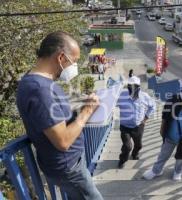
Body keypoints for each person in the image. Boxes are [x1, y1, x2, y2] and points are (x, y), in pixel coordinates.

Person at [16, 32, 103, 200]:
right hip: (69, 166)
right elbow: (62, 141)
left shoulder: (34, 80)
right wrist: (87, 111)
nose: (75, 67)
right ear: (61, 57)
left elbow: (51, 115)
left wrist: (80, 105)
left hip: (65, 164)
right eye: (74, 61)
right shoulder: (41, 90)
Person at [143, 78, 182, 181]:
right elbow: (165, 114)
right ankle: (156, 170)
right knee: (163, 155)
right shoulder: (172, 100)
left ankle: (178, 171)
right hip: (170, 136)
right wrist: (162, 127)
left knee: (181, 158)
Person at [117, 76, 156, 169]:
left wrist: (146, 117)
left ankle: (135, 154)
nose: (132, 88)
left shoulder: (144, 96)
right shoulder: (121, 95)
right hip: (125, 127)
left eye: (135, 86)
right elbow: (110, 104)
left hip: (138, 126)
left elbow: (153, 106)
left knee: (138, 145)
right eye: (130, 86)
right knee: (127, 146)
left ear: (139, 87)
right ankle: (122, 160)